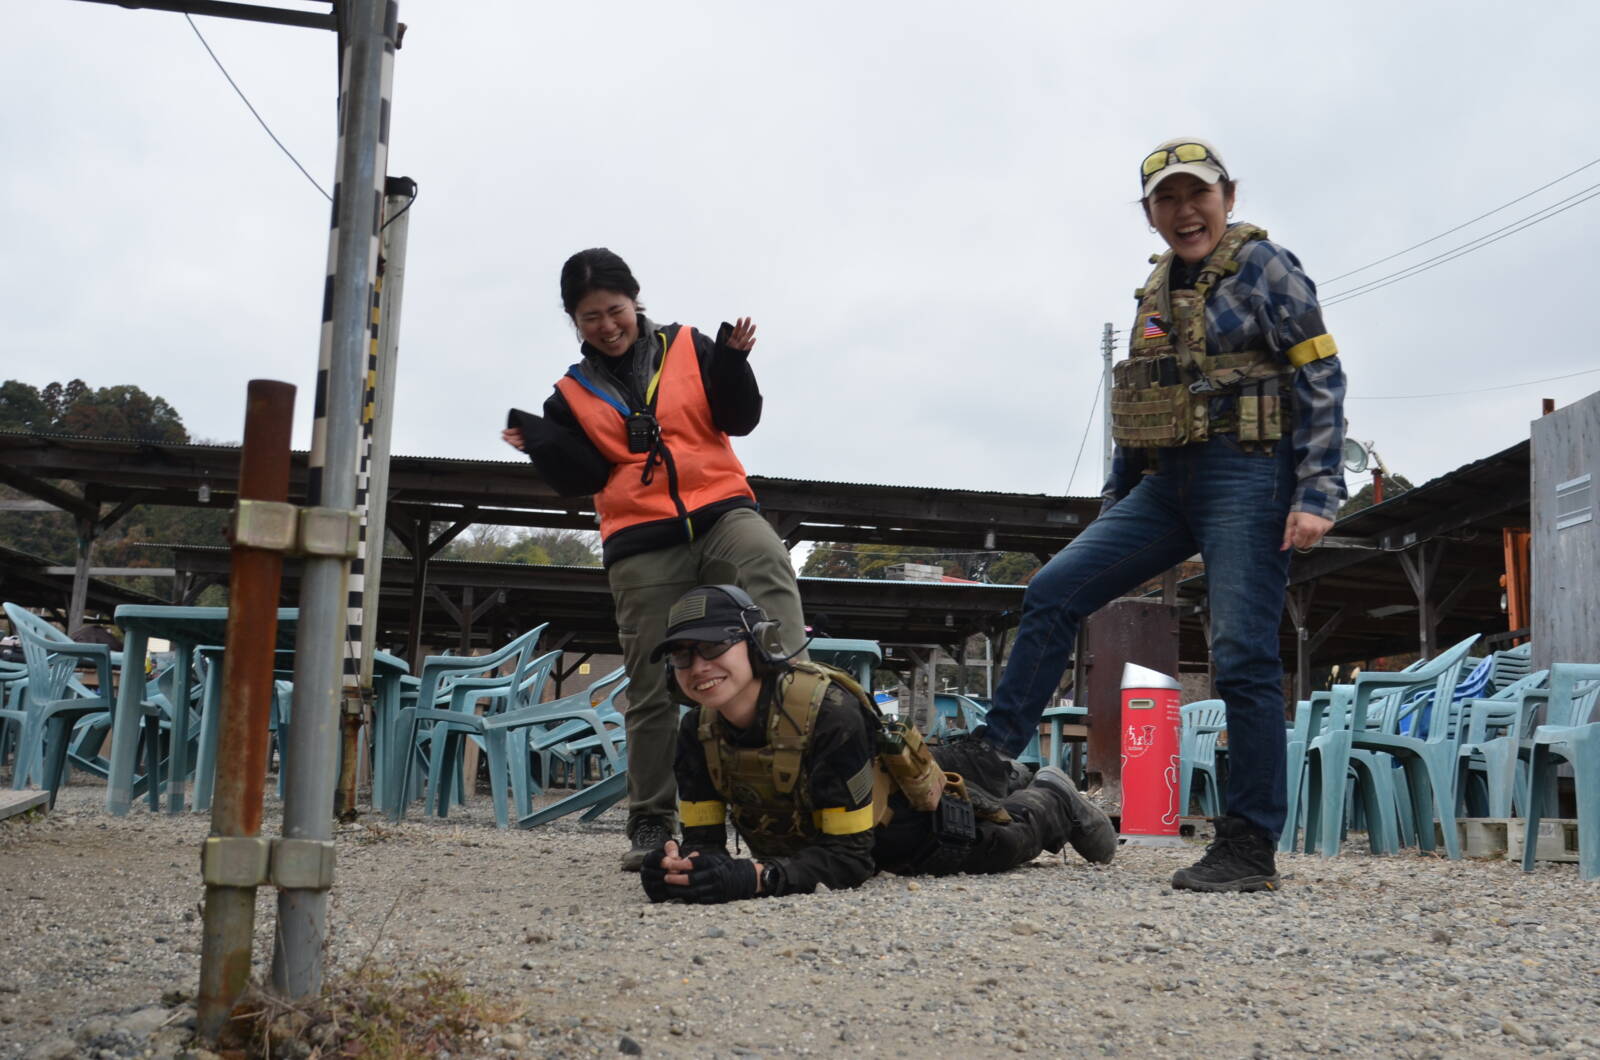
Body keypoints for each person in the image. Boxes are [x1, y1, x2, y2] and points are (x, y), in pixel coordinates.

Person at [973, 138, 1347, 893]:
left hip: (1250, 474)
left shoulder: (1266, 266)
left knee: (1241, 656)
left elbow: (1321, 374)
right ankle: (988, 756)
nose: (1185, 211)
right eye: (1167, 199)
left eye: (1198, 194)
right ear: (1149, 214)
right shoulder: (1153, 289)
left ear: (1228, 198)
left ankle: (1248, 847)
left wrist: (1317, 492)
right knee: (1054, 590)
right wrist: (1117, 502)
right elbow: (1142, 403)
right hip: (1164, 483)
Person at [503, 249, 807, 871]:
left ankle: (804, 704)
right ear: (574, 320)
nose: (606, 326)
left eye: (614, 310)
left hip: (720, 510)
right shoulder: (569, 395)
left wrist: (735, 364)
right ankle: (651, 821)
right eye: (590, 317)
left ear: (634, 300)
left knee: (766, 557)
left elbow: (741, 419)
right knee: (651, 682)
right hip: (641, 539)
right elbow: (579, 476)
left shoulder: (691, 346)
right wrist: (539, 442)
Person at [637, 585, 1117, 904]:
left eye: (713, 646)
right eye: (682, 655)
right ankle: (1006, 775)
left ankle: (1052, 798)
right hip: (834, 823)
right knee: (980, 768)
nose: (698, 667)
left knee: (1009, 840)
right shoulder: (696, 731)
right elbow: (705, 845)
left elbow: (850, 859)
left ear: (759, 644)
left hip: (911, 835)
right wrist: (678, 869)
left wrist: (758, 878)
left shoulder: (828, 715)